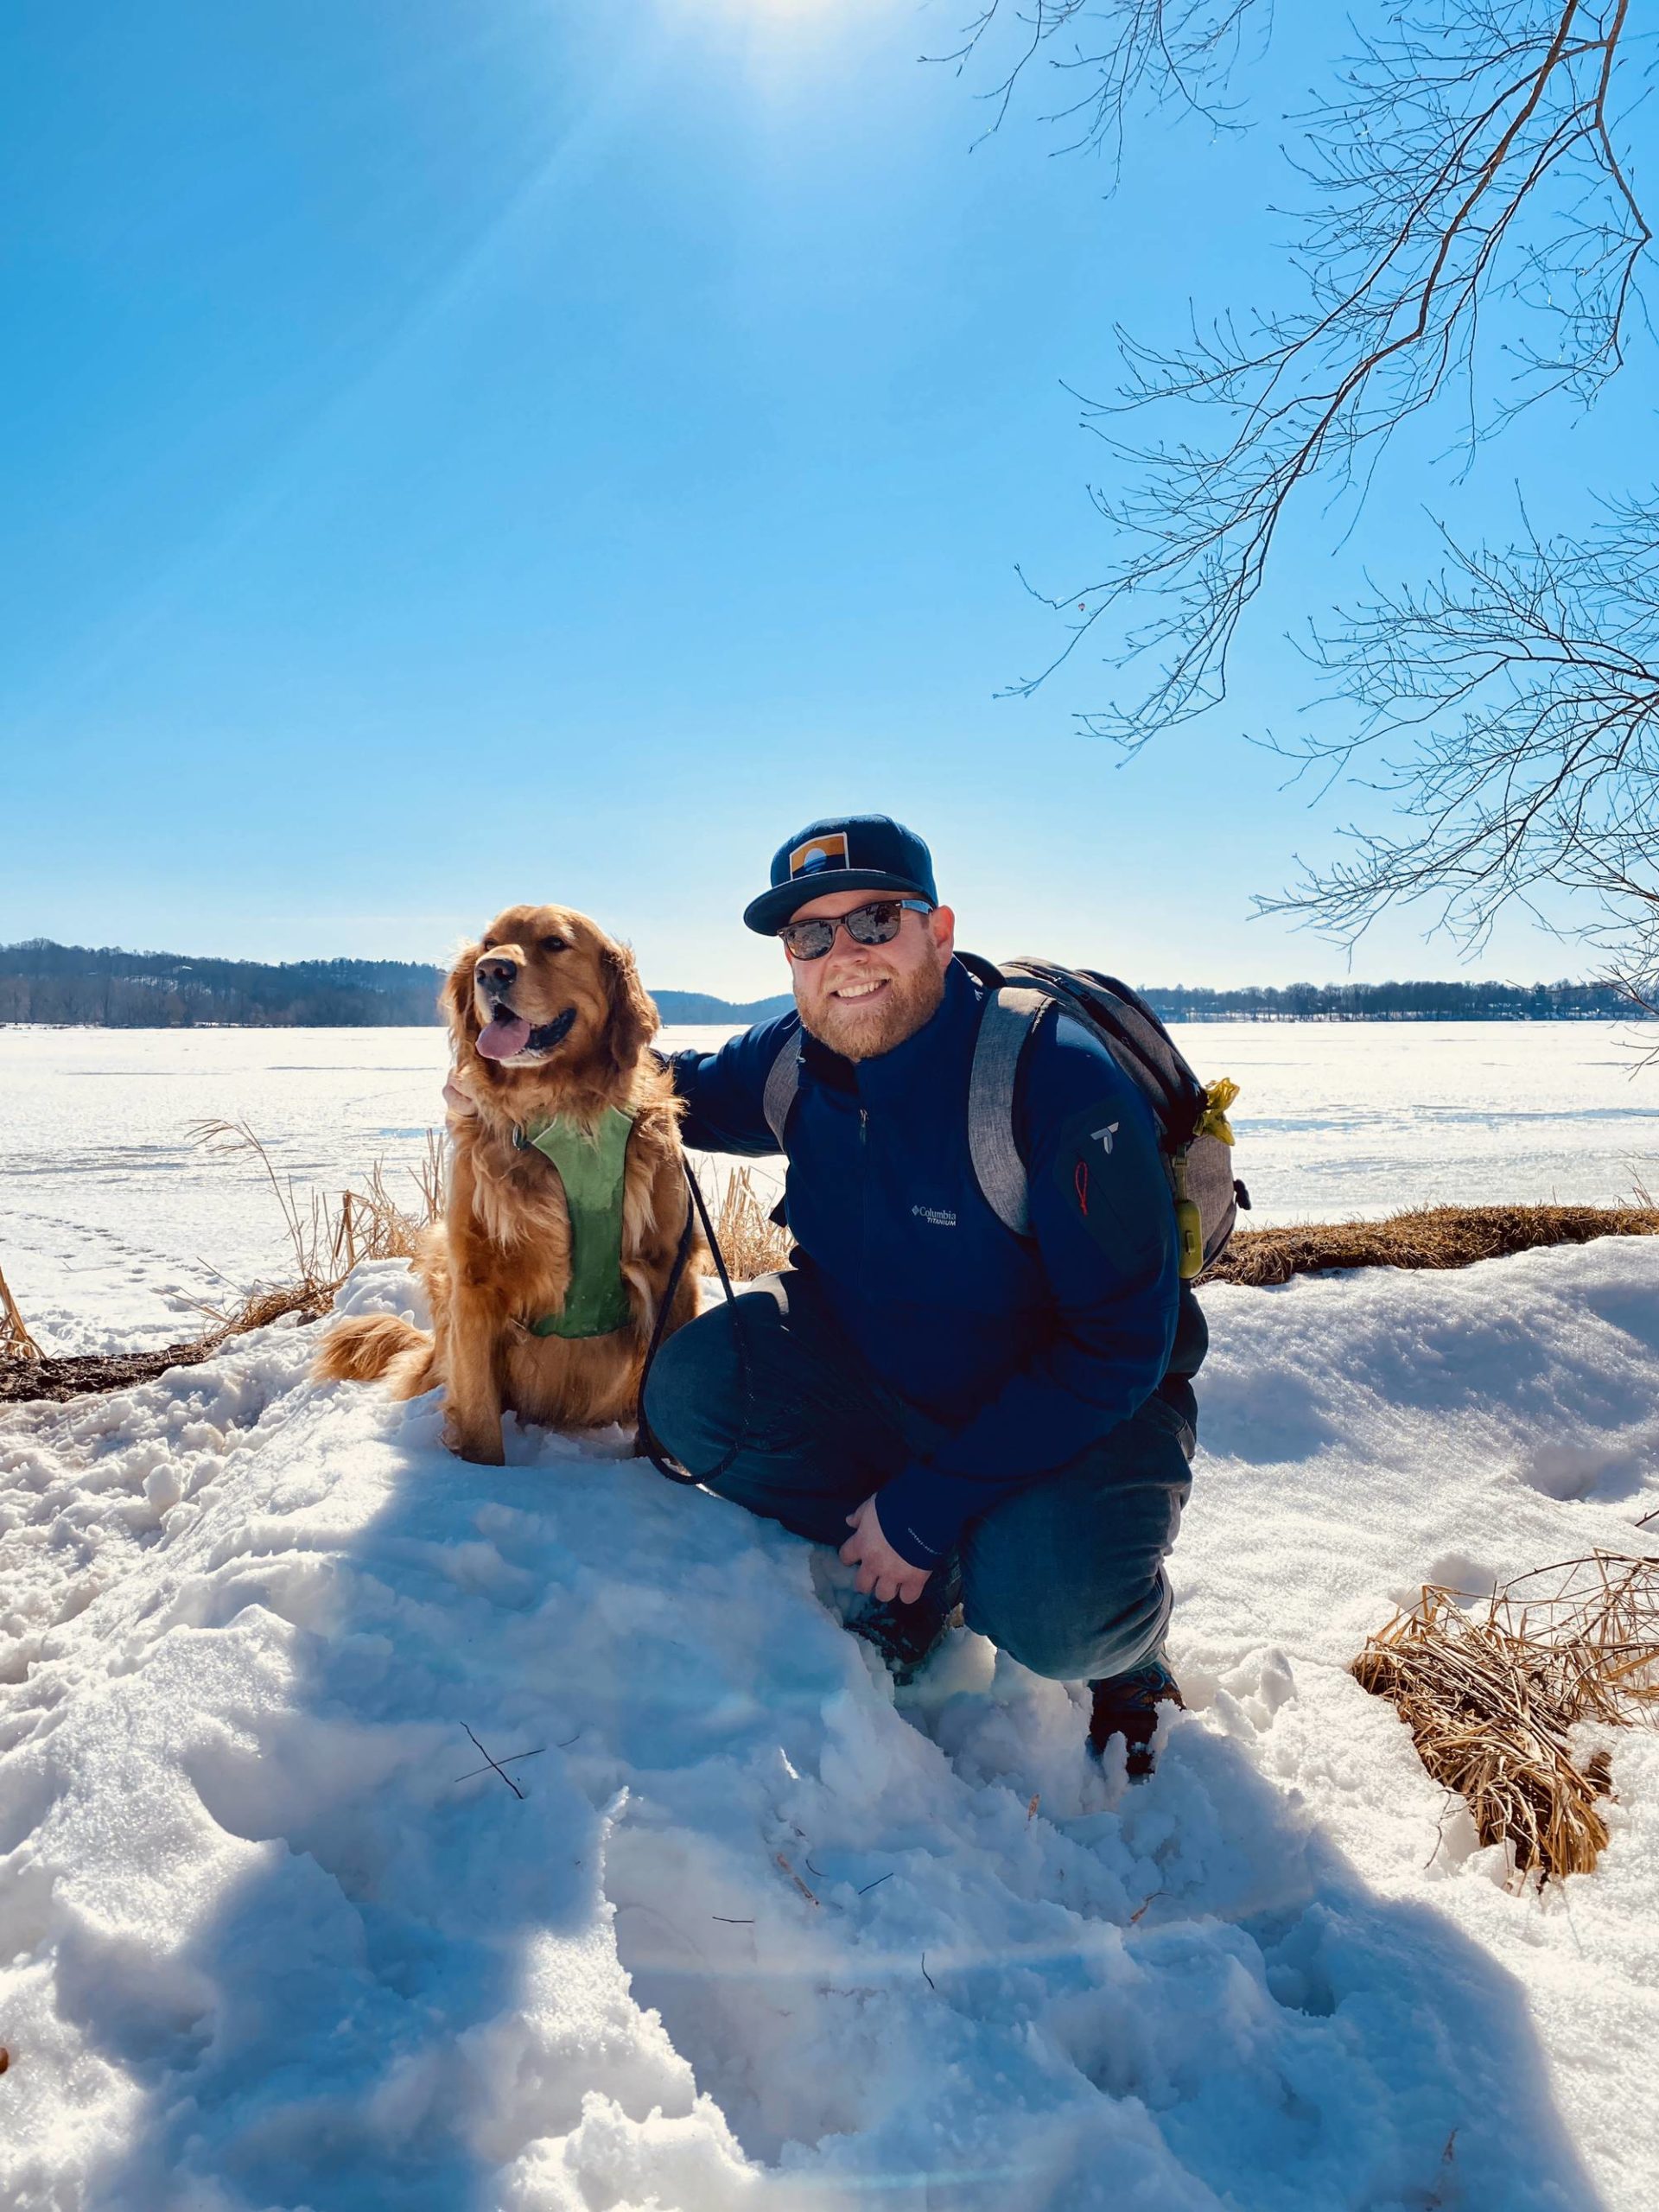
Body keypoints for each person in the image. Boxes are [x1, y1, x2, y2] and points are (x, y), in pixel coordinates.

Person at [640, 815, 1206, 1776]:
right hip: (882, 1383)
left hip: (1080, 1414)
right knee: (690, 1395)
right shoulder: (793, 1058)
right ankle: (931, 1567)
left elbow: (1118, 1349)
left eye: (876, 920)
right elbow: (677, 1089)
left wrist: (926, 1504)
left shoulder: (1053, 1078)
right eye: (810, 935)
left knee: (1056, 1612)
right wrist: (537, 1054)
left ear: (938, 933)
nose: (844, 956)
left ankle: (1131, 1643)